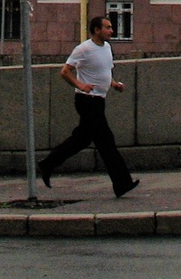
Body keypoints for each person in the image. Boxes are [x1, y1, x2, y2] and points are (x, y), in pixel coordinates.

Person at [36, 14, 138, 198]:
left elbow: (104, 72)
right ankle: (122, 183)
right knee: (107, 142)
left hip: (99, 100)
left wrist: (114, 84)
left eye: (111, 27)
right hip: (86, 101)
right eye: (107, 27)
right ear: (96, 30)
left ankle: (47, 164)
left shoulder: (107, 47)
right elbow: (65, 72)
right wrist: (80, 85)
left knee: (81, 140)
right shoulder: (83, 49)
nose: (111, 31)